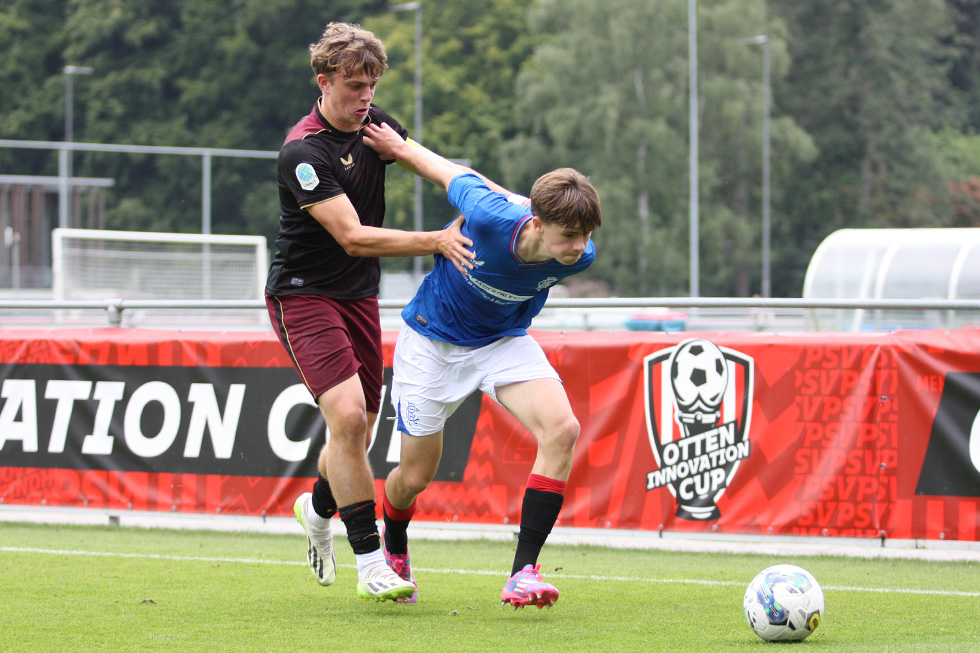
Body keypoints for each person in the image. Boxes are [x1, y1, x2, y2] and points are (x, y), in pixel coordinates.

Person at [265, 22, 475, 603]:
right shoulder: (303, 154)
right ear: (323, 79)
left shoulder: (378, 127)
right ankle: (371, 560)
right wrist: (436, 240)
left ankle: (318, 505)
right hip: (303, 294)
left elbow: (427, 164)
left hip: (358, 297)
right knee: (351, 420)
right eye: (355, 86)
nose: (366, 98)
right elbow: (354, 237)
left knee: (352, 431)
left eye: (373, 85)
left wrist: (492, 204)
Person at [362, 121, 603, 608]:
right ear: (536, 222)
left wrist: (572, 240)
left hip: (500, 342)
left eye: (586, 235)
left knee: (562, 429)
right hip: (432, 341)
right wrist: (398, 147)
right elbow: (448, 172)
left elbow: (524, 203)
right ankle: (395, 546)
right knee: (413, 478)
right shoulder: (493, 219)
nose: (580, 246)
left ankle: (523, 573)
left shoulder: (579, 256)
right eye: (570, 235)